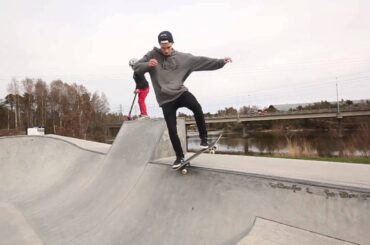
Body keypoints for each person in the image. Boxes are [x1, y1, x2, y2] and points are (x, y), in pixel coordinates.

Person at [133, 31, 232, 168]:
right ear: (160, 46)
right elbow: (137, 68)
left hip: (180, 92)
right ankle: (179, 157)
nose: (166, 50)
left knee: (196, 107)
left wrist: (221, 62)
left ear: (172, 44)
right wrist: (147, 65)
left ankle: (203, 140)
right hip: (165, 99)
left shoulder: (183, 58)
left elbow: (201, 61)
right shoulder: (152, 55)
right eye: (163, 48)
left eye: (168, 47)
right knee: (172, 129)